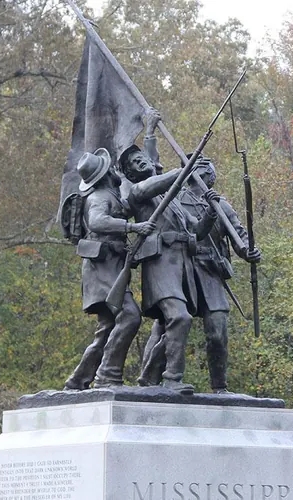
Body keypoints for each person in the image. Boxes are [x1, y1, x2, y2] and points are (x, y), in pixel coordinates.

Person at [137, 156, 261, 393]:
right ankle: (150, 380)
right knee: (169, 326)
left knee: (217, 331)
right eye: (202, 169)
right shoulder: (175, 198)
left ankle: (220, 387)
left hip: (211, 273)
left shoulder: (221, 204)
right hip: (181, 269)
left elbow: (239, 236)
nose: (207, 173)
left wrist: (249, 251)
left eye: (209, 170)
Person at [118, 123, 220, 395]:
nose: (141, 161)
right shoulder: (138, 192)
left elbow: (196, 231)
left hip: (181, 266)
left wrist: (210, 213)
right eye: (135, 162)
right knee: (180, 318)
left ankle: (149, 376)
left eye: (142, 157)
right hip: (160, 266)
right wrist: (185, 169)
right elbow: (161, 179)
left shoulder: (170, 198)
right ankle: (172, 378)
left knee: (172, 323)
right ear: (129, 173)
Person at [63, 148, 153, 390]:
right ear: (104, 175)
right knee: (130, 315)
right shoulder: (99, 197)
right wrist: (132, 228)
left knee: (107, 328)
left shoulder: (111, 195)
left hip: (111, 267)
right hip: (101, 269)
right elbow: (97, 221)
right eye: (110, 168)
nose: (114, 171)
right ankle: (108, 375)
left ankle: (78, 380)